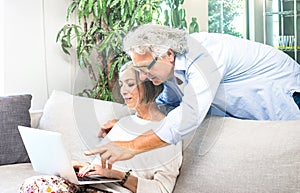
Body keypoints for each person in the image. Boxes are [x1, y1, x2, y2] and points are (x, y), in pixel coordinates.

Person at [86, 23, 300, 168]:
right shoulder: (167, 71)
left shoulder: (205, 55)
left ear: (168, 54)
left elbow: (189, 115)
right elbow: (166, 106)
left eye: (145, 68)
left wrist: (132, 146)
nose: (142, 76)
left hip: (288, 95)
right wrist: (128, 123)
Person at [20, 61, 182, 193]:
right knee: (33, 184)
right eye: (121, 84)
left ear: (151, 84)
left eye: (130, 84)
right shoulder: (123, 123)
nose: (123, 91)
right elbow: (101, 167)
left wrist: (118, 175)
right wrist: (83, 167)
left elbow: (162, 189)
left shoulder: (168, 135)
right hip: (91, 187)